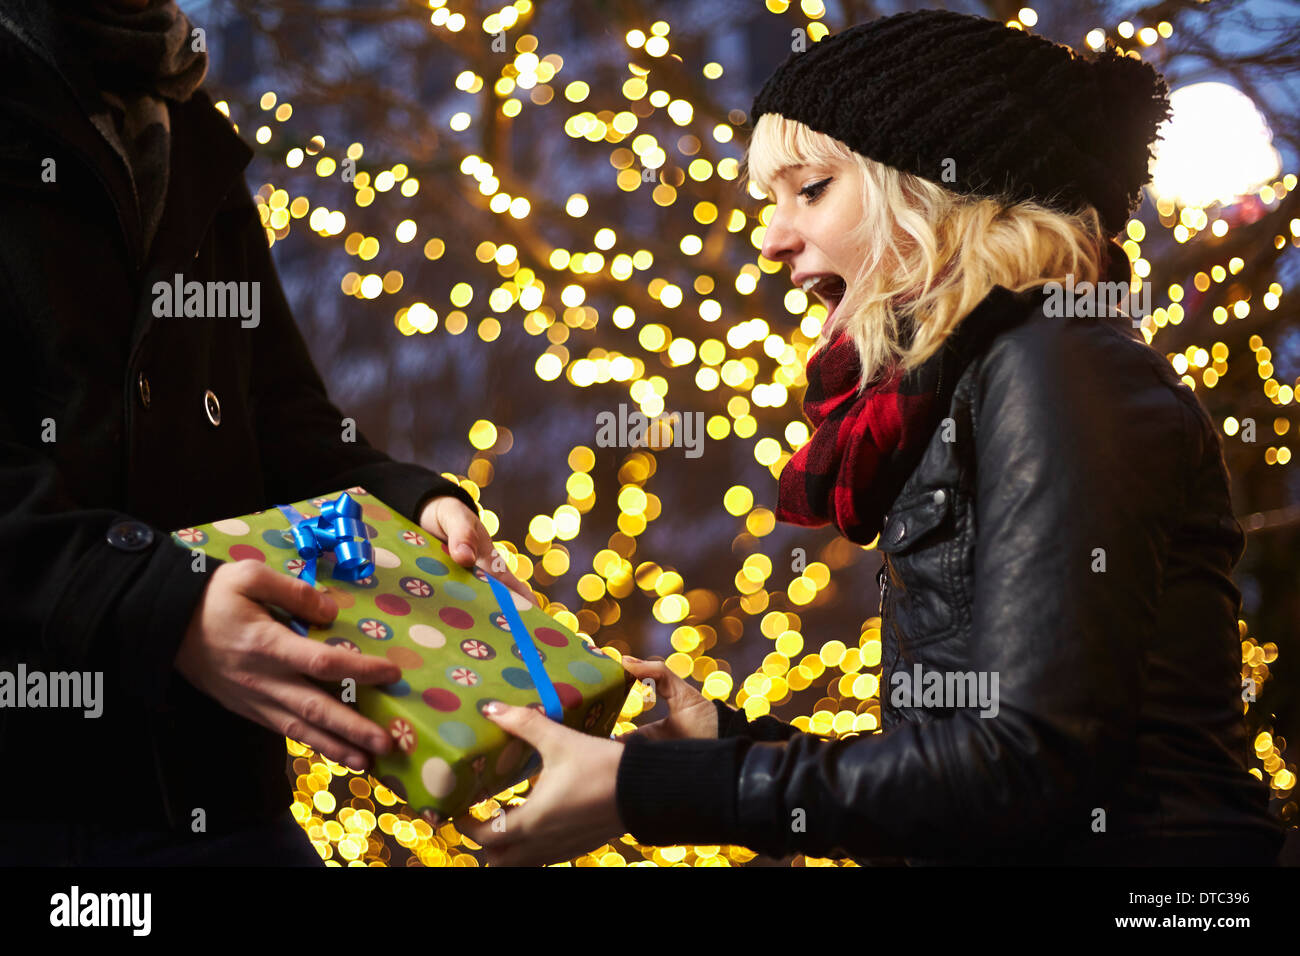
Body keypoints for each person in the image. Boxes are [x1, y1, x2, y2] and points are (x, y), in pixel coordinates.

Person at [461, 10, 1286, 866]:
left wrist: (650, 790)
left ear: (932, 184)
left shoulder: (1056, 365)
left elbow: (1025, 767)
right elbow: (960, 769)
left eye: (810, 189)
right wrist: (719, 743)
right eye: (769, 203)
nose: (774, 238)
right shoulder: (961, 387)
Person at [0, 0, 531, 866]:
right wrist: (160, 610)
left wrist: (410, 501)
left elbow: (279, 414)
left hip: (222, 782)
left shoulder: (185, 120)